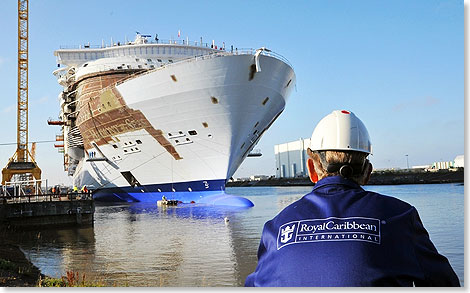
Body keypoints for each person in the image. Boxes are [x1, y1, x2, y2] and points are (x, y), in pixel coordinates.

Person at [245, 110, 459, 287]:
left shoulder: (276, 227)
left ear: (311, 168)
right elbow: (445, 284)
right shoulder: (401, 217)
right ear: (368, 171)